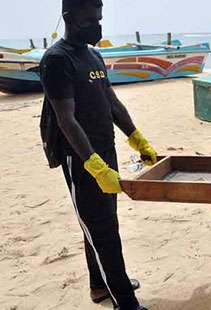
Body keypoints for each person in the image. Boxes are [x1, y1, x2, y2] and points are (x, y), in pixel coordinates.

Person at [39, 0, 155, 309]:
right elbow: (66, 119)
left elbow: (112, 103)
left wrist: (137, 139)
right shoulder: (56, 60)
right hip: (81, 158)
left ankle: (100, 286)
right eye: (89, 19)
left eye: (99, 18)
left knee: (104, 223)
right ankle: (125, 302)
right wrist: (94, 165)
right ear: (68, 18)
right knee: (101, 229)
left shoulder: (94, 55)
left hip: (107, 149)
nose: (97, 25)